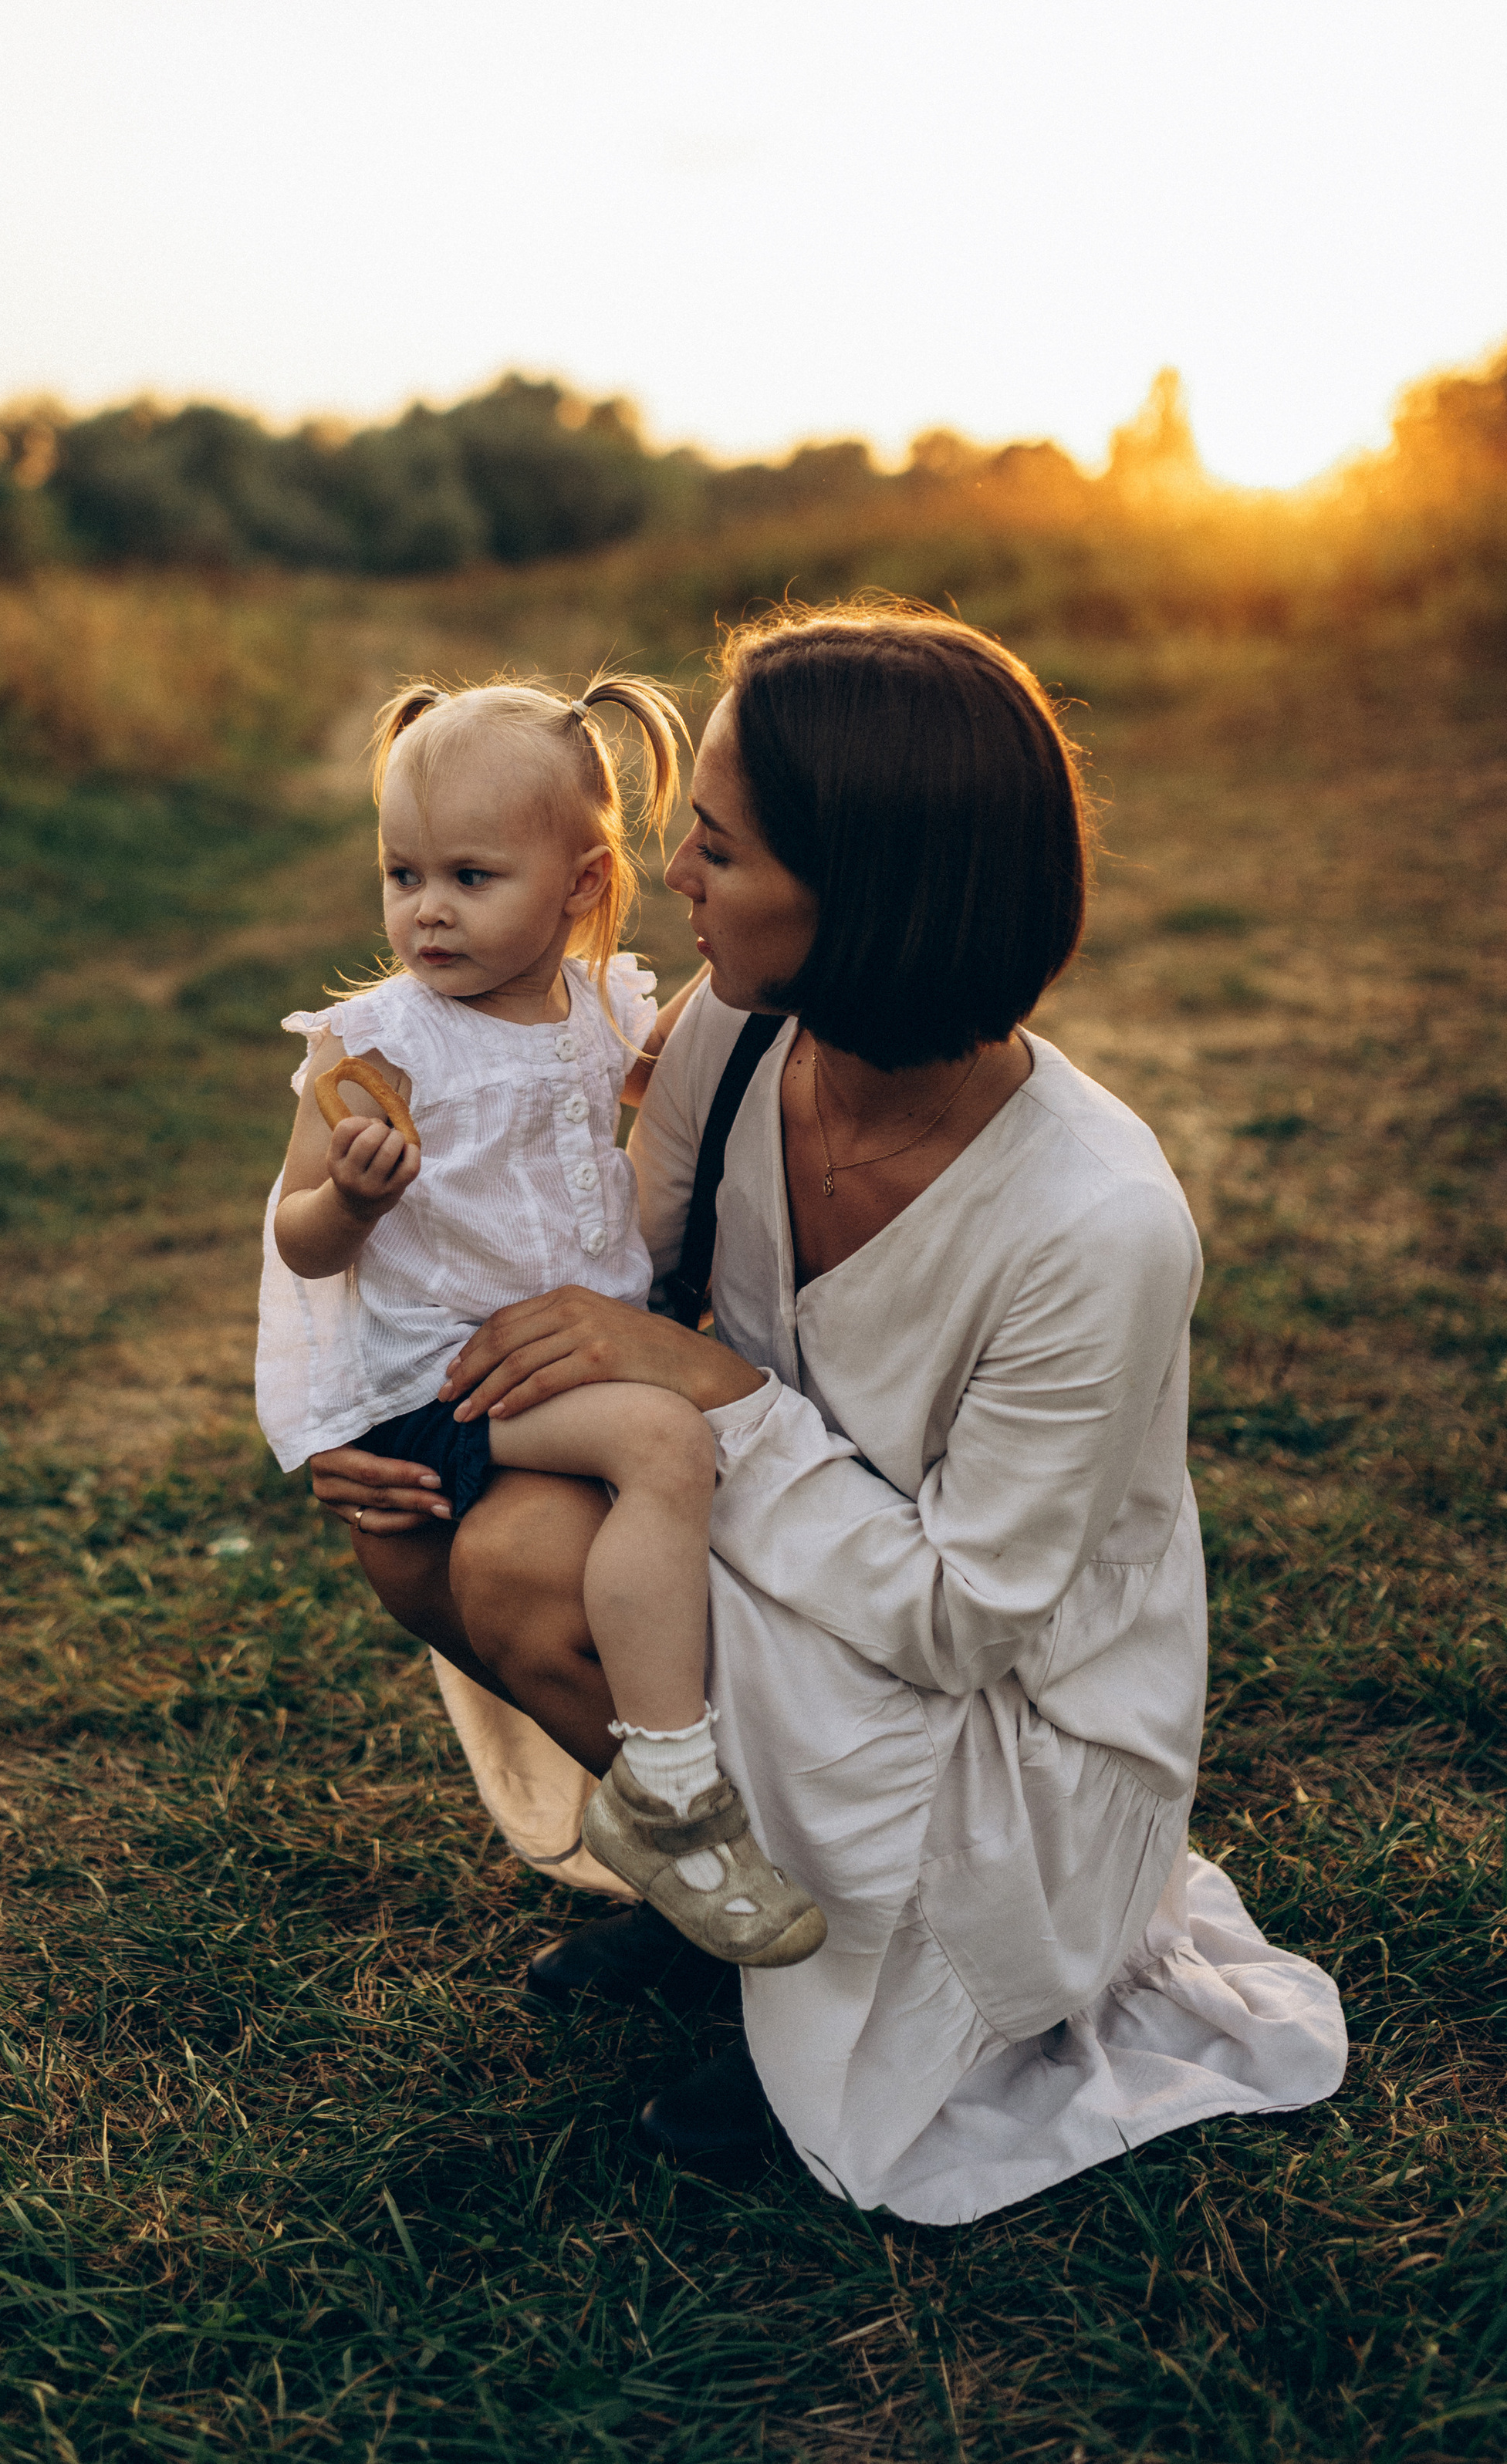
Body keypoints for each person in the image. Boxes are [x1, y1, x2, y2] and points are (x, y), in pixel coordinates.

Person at [311, 605, 1347, 2226]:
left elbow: (960, 1616)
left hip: (1006, 1713)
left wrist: (715, 1391)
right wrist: (384, 1390)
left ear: (862, 893)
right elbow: (617, 1277)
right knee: (460, 1534)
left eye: (714, 853)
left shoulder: (1094, 1224)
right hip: (789, 1548)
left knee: (535, 1573)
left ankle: (814, 1976)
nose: (671, 884)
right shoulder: (734, 1032)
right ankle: (710, 1888)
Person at [256, 673, 826, 1968]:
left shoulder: (596, 1007)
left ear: (579, 885)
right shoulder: (379, 1046)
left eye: (470, 874)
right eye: (403, 873)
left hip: (552, 1361)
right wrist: (344, 1202)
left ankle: (674, 1824)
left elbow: (672, 1067)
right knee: (667, 1444)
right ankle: (675, 1789)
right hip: (446, 1387)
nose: (427, 910)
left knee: (660, 1451)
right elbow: (294, 1231)